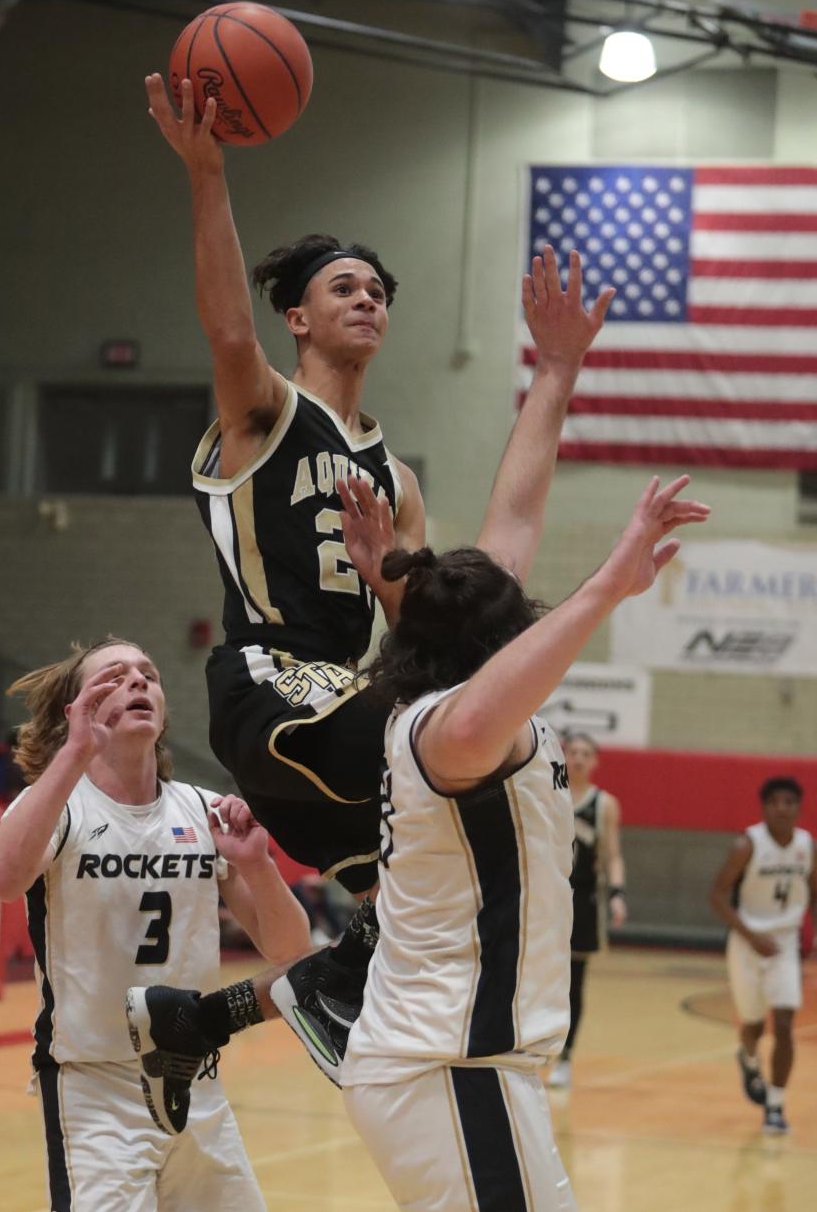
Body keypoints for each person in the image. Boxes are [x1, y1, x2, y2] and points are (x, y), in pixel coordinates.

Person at [140, 60, 618, 1086]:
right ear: (299, 319)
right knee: (468, 770)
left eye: (378, 290)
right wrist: (206, 173)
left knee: (445, 876)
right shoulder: (265, 413)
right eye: (342, 287)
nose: (366, 298)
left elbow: (452, 597)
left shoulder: (394, 476)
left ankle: (213, 1015)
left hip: (357, 707)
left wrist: (557, 372)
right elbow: (227, 324)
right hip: (273, 689)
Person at [335, 471, 708, 1212]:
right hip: (445, 1061)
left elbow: (510, 518)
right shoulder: (450, 730)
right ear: (509, 639)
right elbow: (475, 717)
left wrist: (556, 372)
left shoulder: (431, 707)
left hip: (464, 1065)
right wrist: (606, 585)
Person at [0, 638, 311, 1209]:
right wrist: (75, 753)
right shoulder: (60, 805)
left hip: (195, 1080)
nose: (137, 681)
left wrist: (256, 863)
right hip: (94, 1086)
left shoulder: (203, 810)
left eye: (148, 675)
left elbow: (292, 949)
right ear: (76, 710)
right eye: (114, 676)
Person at [710, 776, 815, 1135]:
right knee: (753, 1024)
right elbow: (717, 896)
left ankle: (775, 1104)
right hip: (746, 941)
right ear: (765, 807)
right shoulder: (747, 844)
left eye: (789, 801)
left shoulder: (807, 846)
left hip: (784, 944)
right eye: (775, 802)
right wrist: (751, 935)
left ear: (799, 807)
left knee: (785, 1024)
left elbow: (813, 894)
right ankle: (748, 1058)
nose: (782, 807)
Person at [547, 732, 626, 1089]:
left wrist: (618, 894)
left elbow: (612, 854)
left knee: (574, 982)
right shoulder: (548, 792)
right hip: (546, 897)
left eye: (585, 753)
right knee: (535, 976)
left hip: (582, 901)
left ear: (595, 762)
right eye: (573, 752)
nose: (578, 758)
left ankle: (565, 1057)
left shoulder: (604, 804)